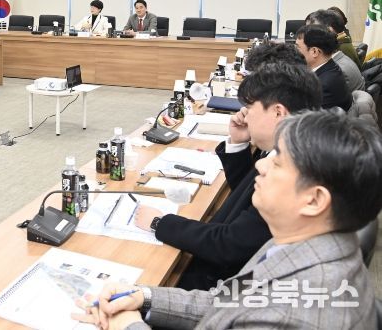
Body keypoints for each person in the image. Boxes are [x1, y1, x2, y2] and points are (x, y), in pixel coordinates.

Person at [74, 110, 382, 329]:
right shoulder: (294, 243)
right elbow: (229, 300)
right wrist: (144, 297)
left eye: (278, 163)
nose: (261, 166)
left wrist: (128, 325)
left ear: (314, 200)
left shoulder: (295, 317)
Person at [133, 61, 321, 291]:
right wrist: (238, 143)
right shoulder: (289, 148)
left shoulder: (293, 171)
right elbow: (247, 195)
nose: (244, 116)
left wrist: (159, 223)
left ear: (278, 112)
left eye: (249, 108)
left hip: (221, 285)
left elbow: (230, 245)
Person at [295, 24, 352, 111]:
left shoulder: (323, 86)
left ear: (314, 52)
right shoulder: (331, 68)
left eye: (297, 47)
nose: (294, 50)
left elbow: (302, 115)